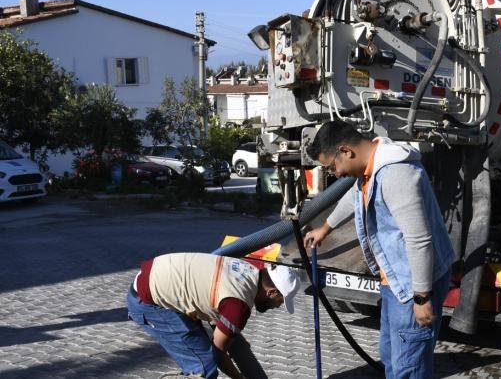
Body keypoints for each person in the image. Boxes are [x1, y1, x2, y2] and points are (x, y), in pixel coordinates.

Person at [303, 120, 455, 379]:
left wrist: (421, 297)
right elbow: (355, 198)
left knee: (408, 367)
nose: (336, 173)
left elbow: (419, 239)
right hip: (395, 281)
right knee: (392, 359)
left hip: (412, 286)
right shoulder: (370, 170)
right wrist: (325, 228)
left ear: (345, 151)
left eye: (333, 166)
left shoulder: (396, 174)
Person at [126, 253, 300, 379]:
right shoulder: (238, 306)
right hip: (149, 301)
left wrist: (232, 335)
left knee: (207, 349)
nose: (279, 306)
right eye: (281, 300)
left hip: (154, 280)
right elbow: (219, 355)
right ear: (271, 292)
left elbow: (220, 307)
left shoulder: (248, 270)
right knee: (203, 366)